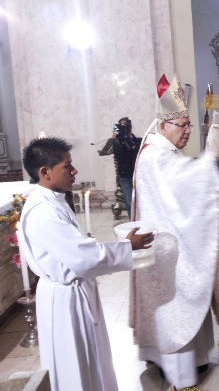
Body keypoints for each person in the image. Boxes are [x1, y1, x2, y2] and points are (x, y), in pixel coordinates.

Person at [19, 137, 154, 391]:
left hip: (73, 293)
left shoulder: (52, 200)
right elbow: (84, 257)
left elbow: (76, 249)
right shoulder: (42, 212)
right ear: (45, 172)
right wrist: (128, 246)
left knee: (91, 361)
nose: (74, 171)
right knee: (75, 366)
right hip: (65, 303)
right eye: (67, 166)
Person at [130, 75, 219, 389]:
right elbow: (181, 184)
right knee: (177, 306)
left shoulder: (163, 150)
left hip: (173, 245)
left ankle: (198, 359)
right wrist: (213, 156)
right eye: (182, 125)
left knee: (192, 296)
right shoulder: (154, 154)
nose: (188, 130)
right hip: (166, 254)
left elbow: (182, 182)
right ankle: (179, 374)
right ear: (163, 125)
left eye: (189, 124)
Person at [112, 117, 142, 218]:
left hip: (138, 175)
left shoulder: (137, 141)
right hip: (125, 177)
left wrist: (131, 142)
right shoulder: (118, 142)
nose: (124, 128)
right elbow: (120, 159)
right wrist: (117, 142)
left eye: (125, 125)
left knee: (142, 202)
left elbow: (137, 156)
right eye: (121, 126)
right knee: (130, 203)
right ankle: (133, 225)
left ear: (130, 127)